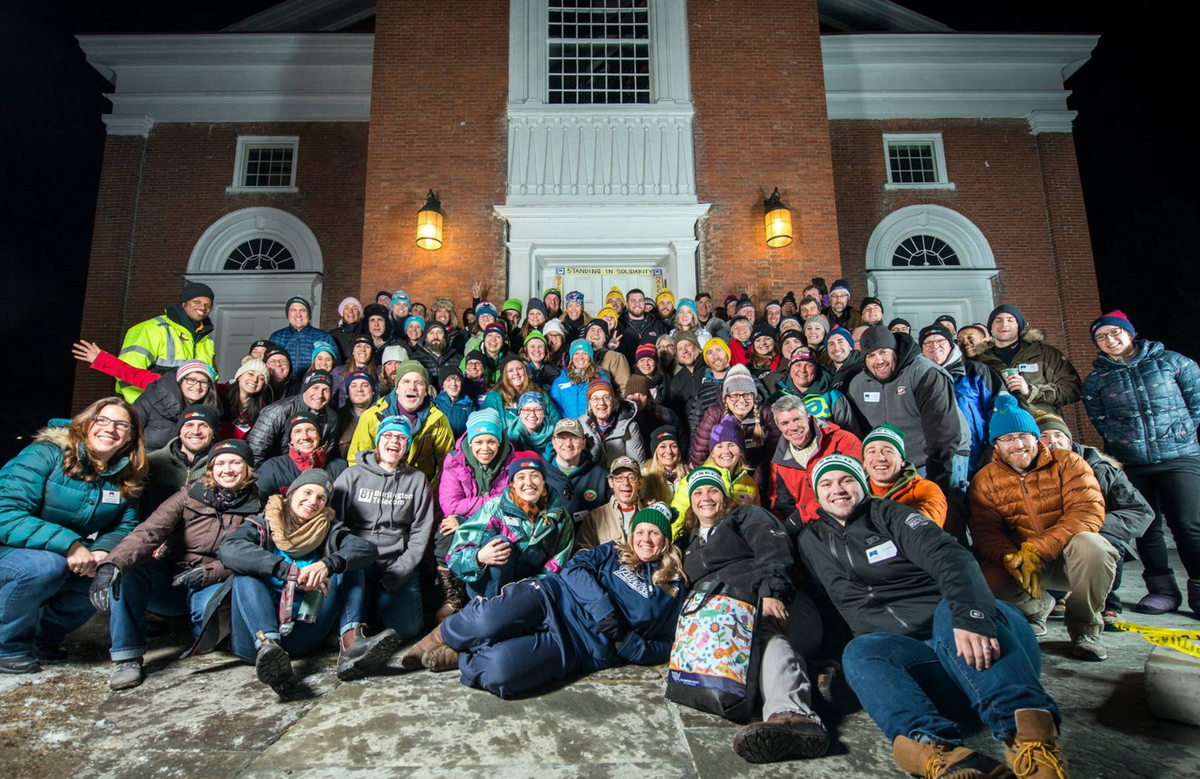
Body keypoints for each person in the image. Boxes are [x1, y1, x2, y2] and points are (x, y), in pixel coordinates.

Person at [801, 454, 1068, 779]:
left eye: (846, 480)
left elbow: (950, 555)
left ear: (861, 483)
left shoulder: (889, 515)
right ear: (816, 494)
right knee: (859, 650)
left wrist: (971, 617)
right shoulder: (810, 540)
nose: (837, 490)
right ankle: (943, 757)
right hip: (926, 673)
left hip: (985, 646)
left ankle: (1035, 749)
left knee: (948, 610)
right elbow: (825, 608)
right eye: (826, 484)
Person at [404, 508, 686, 698]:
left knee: (501, 673)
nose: (645, 539)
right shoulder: (613, 550)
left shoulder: (674, 588)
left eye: (654, 533)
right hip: (553, 597)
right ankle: (443, 636)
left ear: (666, 540)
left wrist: (629, 643)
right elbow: (574, 569)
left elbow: (666, 644)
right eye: (640, 532)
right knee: (485, 621)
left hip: (579, 645)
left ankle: (462, 655)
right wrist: (604, 609)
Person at [678, 468, 829, 764]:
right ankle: (818, 674)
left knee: (765, 633)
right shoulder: (690, 544)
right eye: (697, 492)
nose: (705, 498)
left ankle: (793, 716)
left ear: (725, 496)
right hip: (729, 625)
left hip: (777, 606)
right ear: (690, 502)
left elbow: (773, 549)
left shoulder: (747, 517)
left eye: (712, 491)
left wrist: (771, 591)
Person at [90, 438, 261, 689]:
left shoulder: (259, 507)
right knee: (130, 571)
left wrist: (209, 572)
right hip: (172, 577)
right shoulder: (188, 495)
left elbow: (254, 556)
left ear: (247, 469)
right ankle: (127, 656)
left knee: (207, 622)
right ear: (211, 468)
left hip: (215, 580)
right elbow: (149, 531)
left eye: (236, 463)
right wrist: (111, 563)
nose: (228, 469)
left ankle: (207, 626)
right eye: (220, 463)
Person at [218, 470, 400, 696]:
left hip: (303, 628)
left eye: (321, 498)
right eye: (307, 492)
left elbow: (366, 550)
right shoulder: (263, 523)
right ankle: (271, 651)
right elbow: (229, 549)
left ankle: (352, 644)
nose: (313, 501)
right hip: (255, 641)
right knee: (245, 571)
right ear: (291, 495)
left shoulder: (328, 528)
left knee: (348, 566)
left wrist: (327, 564)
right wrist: (286, 571)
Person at [0, 398, 146, 673]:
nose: (109, 428)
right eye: (101, 420)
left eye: (120, 424)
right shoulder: (46, 454)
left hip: (62, 551)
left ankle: (44, 639)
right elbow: (5, 511)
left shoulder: (125, 477)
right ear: (86, 424)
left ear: (129, 437)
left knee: (104, 573)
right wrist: (70, 545)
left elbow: (124, 526)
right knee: (44, 566)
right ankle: (8, 646)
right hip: (9, 548)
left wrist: (102, 550)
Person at [970, 395, 1116, 660]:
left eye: (1024, 436)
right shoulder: (985, 480)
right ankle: (1036, 608)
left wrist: (1037, 547)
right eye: (1007, 438)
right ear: (996, 444)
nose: (1017, 445)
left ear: (1035, 438)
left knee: (1095, 546)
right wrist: (1009, 556)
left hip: (1070, 557)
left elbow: (1087, 511)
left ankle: (1085, 629)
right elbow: (985, 531)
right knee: (984, 576)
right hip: (1025, 563)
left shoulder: (1068, 463)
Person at [1081, 310, 1200, 616]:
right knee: (1146, 526)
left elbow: (1195, 401)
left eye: (1115, 333)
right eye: (1101, 337)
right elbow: (1100, 419)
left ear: (1129, 333)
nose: (1110, 340)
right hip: (1131, 462)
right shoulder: (1097, 380)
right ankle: (1162, 589)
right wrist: (1125, 442)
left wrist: (1180, 432)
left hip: (1179, 456)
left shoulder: (1172, 362)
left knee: (1188, 525)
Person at [1036, 411, 1154, 628]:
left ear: (1069, 441)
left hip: (1093, 535)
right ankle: (1057, 595)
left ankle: (1109, 603)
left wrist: (1090, 525)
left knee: (1103, 544)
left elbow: (1140, 511)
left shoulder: (1103, 470)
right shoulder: (1028, 473)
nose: (1053, 441)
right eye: (1044, 436)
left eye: (1058, 435)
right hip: (1052, 541)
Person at [332, 416, 434, 641]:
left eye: (401, 437)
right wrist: (346, 556)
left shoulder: (417, 481)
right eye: (388, 435)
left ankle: (378, 611)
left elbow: (420, 533)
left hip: (395, 563)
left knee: (406, 631)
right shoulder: (352, 475)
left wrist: (401, 569)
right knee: (341, 627)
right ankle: (358, 621)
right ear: (378, 441)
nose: (394, 441)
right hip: (356, 564)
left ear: (407, 445)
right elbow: (334, 522)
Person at [445, 455, 574, 599]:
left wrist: (532, 588)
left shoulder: (560, 516)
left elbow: (557, 562)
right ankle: (490, 607)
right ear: (512, 483)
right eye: (521, 477)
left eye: (535, 476)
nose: (529, 483)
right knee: (502, 543)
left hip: (530, 588)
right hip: (489, 587)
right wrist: (478, 557)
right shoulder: (495, 508)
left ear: (543, 481)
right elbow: (454, 556)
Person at [842, 327, 960, 484]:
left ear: (894, 351)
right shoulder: (858, 385)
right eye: (871, 356)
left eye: (883, 352)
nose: (878, 360)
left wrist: (937, 477)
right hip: (892, 465)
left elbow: (943, 429)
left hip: (937, 458)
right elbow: (859, 432)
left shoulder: (924, 373)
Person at [346, 361, 455, 484]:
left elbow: (447, 464)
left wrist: (430, 495)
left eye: (419, 383)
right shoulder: (372, 417)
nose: (412, 387)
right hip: (378, 486)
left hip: (419, 487)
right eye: (406, 382)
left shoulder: (437, 420)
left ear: (426, 392)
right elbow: (357, 459)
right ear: (397, 389)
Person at [919, 323, 1000, 481]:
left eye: (940, 341)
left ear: (951, 345)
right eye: (928, 342)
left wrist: (992, 451)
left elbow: (999, 411)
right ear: (922, 349)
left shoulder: (977, 371)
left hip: (978, 459)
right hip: (932, 463)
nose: (934, 346)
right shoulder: (917, 378)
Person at [767, 395, 862, 527]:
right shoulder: (779, 462)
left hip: (848, 518)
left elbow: (857, 489)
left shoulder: (843, 442)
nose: (793, 427)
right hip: (809, 528)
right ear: (779, 427)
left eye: (797, 419)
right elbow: (781, 507)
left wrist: (805, 514)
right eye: (785, 423)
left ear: (809, 417)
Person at [115, 282, 216, 402]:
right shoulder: (151, 329)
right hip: (153, 411)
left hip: (188, 412)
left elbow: (210, 379)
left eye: (207, 305)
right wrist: (146, 408)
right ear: (184, 303)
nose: (203, 307)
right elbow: (126, 372)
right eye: (197, 302)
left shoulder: (206, 340)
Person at [976, 305, 1081, 416]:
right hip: (1003, 429)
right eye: (998, 320)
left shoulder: (1044, 354)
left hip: (1043, 427)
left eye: (1010, 320)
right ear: (990, 329)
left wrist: (1031, 391)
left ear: (1019, 327)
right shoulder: (981, 361)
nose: (1004, 324)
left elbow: (1072, 390)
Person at [689, 365, 779, 485]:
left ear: (754, 396)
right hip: (721, 476)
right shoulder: (715, 414)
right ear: (726, 398)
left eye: (747, 395)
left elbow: (771, 455)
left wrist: (755, 485)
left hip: (756, 477)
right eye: (735, 395)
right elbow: (700, 455)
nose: (741, 401)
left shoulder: (765, 413)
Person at [671, 418, 760, 527]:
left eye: (732, 445)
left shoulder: (750, 484)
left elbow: (756, 520)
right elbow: (675, 521)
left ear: (741, 451)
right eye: (719, 446)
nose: (726, 451)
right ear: (712, 453)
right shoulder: (696, 479)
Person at [246, 370, 340, 466]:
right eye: (315, 388)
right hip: (274, 471)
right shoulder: (278, 411)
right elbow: (254, 453)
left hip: (309, 473)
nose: (320, 395)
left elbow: (326, 453)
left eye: (326, 390)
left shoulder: (331, 417)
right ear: (305, 389)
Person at [861, 424, 947, 527]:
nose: (880, 458)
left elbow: (925, 527)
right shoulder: (853, 492)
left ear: (902, 460)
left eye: (888, 451)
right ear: (864, 463)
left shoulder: (926, 489)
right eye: (871, 451)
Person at [141, 404, 220, 514]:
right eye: (189, 425)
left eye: (203, 425)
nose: (196, 431)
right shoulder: (151, 462)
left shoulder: (221, 466)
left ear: (214, 433)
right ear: (180, 431)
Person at [255, 411, 349, 500]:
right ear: (290, 439)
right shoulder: (273, 468)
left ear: (319, 435)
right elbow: (259, 503)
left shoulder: (340, 468)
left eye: (311, 430)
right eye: (297, 432)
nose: (305, 437)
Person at [134, 360, 222, 451]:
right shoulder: (149, 401)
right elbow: (130, 435)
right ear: (180, 380)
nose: (197, 387)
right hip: (149, 461)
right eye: (191, 380)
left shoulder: (212, 409)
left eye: (204, 382)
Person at [542, 418, 612, 526]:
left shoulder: (601, 477)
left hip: (590, 540)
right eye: (562, 438)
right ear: (553, 443)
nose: (568, 444)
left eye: (574, 438)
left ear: (583, 443)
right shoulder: (539, 474)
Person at [575, 457, 646, 552]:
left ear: (640, 483)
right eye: (619, 478)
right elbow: (582, 553)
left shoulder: (649, 514)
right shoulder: (595, 517)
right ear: (611, 482)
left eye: (631, 478)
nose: (626, 483)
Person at [578, 378, 646, 468]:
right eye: (595, 399)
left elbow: (637, 465)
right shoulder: (580, 425)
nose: (601, 403)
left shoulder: (629, 426)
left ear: (613, 402)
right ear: (589, 405)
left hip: (620, 478)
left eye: (606, 397)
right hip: (592, 479)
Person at [483, 355, 560, 432]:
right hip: (508, 442)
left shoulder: (541, 394)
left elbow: (556, 423)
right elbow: (485, 424)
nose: (516, 373)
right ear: (504, 376)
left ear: (525, 371)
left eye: (519, 368)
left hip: (542, 442)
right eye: (510, 370)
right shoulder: (494, 397)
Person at [684, 338, 735, 449]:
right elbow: (694, 427)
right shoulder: (703, 390)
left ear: (727, 354)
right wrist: (692, 457)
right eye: (710, 352)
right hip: (713, 450)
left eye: (719, 350)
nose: (715, 356)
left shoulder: (744, 379)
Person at [269, 296, 338, 370]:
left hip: (314, 381)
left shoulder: (324, 337)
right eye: (293, 310)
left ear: (309, 315)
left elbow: (337, 368)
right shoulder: (276, 337)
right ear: (288, 315)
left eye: (303, 310)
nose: (298, 314)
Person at [551, 340, 607, 420]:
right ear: (572, 357)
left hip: (593, 427)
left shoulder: (601, 379)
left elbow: (607, 403)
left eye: (585, 353)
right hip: (569, 428)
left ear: (590, 357)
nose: (580, 357)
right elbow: (555, 410)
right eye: (576, 353)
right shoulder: (560, 382)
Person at [219, 359, 270, 440]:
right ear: (239, 376)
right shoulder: (220, 392)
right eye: (250, 374)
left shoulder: (263, 410)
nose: (255, 380)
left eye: (261, 378)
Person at [335, 370, 377, 460]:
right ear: (348, 392)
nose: (359, 389)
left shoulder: (383, 416)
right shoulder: (337, 418)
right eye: (353, 386)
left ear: (373, 391)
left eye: (365, 385)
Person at [583, 319, 631, 394]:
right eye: (592, 330)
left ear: (605, 338)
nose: (596, 333)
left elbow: (624, 387)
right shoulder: (578, 357)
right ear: (585, 336)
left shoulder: (615, 357)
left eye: (600, 330)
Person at [332, 335, 378, 409]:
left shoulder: (379, 372)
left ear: (371, 352)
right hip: (346, 417)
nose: (363, 349)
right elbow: (331, 399)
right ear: (353, 351)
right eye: (358, 346)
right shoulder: (339, 372)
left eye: (367, 346)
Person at [507, 390, 558, 458]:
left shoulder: (555, 434)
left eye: (537, 410)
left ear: (543, 413)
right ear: (520, 413)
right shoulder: (507, 436)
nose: (532, 415)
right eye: (527, 410)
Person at [433, 367, 474, 439]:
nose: (454, 384)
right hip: (441, 448)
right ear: (442, 384)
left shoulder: (469, 405)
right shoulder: (434, 404)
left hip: (461, 448)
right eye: (448, 380)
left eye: (457, 380)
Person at [329, 297, 363, 361]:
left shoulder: (365, 333)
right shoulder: (334, 334)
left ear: (359, 313)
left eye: (355, 308)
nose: (351, 311)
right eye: (347, 308)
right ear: (342, 313)